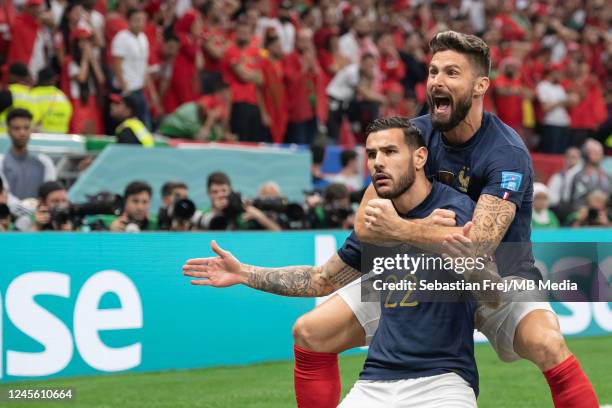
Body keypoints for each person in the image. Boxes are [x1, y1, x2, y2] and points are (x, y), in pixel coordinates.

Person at [287, 31, 599, 408]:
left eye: (452, 73)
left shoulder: (507, 152)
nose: (436, 80)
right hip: (423, 272)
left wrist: (402, 229)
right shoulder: (412, 136)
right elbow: (367, 223)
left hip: (497, 276)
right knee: (311, 330)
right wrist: (405, 231)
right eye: (433, 71)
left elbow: (478, 245)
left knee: (547, 342)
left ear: (480, 85)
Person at [183, 120, 488, 407]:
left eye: (390, 152)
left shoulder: (456, 209)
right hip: (375, 382)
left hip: (442, 383)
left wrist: (419, 234)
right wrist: (244, 273)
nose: (377, 162)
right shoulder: (374, 222)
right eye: (371, 154)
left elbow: (493, 289)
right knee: (308, 330)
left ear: (420, 157)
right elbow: (321, 279)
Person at [111, 8, 158, 130]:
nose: (140, 23)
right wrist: (125, 88)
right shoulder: (121, 38)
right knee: (128, 127)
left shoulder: (143, 38)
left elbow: (144, 66)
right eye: (136, 20)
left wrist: (151, 92)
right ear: (129, 21)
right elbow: (117, 65)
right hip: (127, 90)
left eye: (142, 20)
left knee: (144, 126)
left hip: (139, 89)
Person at [0, 109, 56, 201]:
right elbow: (4, 196)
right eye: (16, 128)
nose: (22, 133)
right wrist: (27, 210)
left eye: (26, 128)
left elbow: (50, 194)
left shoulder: (44, 162)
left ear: (31, 130)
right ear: (8, 131)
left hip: (38, 214)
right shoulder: (1, 162)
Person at [30, 67, 73, 134]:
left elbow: (31, 118)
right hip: (61, 136)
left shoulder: (33, 94)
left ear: (39, 79)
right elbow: (69, 114)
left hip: (40, 137)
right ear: (53, 79)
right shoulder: (62, 95)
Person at [0, 63, 39, 134]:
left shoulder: (7, 92)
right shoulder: (33, 94)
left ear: (14, 76)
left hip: (3, 135)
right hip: (24, 136)